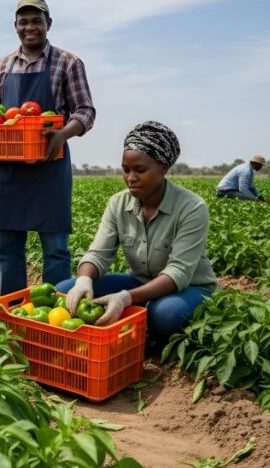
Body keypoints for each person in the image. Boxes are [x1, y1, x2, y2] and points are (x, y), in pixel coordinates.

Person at [57, 121, 218, 341]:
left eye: (140, 170)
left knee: (164, 315)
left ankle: (145, 315)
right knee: (65, 291)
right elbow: (98, 254)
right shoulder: (118, 204)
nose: (130, 178)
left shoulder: (191, 207)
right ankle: (139, 309)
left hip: (188, 288)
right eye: (126, 170)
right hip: (140, 283)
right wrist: (84, 280)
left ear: (164, 168)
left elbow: (178, 272)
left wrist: (126, 298)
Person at [0, 0, 96, 294]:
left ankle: (55, 315)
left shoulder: (68, 63)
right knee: (8, 250)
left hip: (50, 167)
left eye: (37, 21)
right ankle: (13, 310)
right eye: (24, 22)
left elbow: (85, 111)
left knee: (56, 250)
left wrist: (62, 133)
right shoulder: (0, 68)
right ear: (15, 26)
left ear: (49, 24)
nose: (30, 27)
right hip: (9, 172)